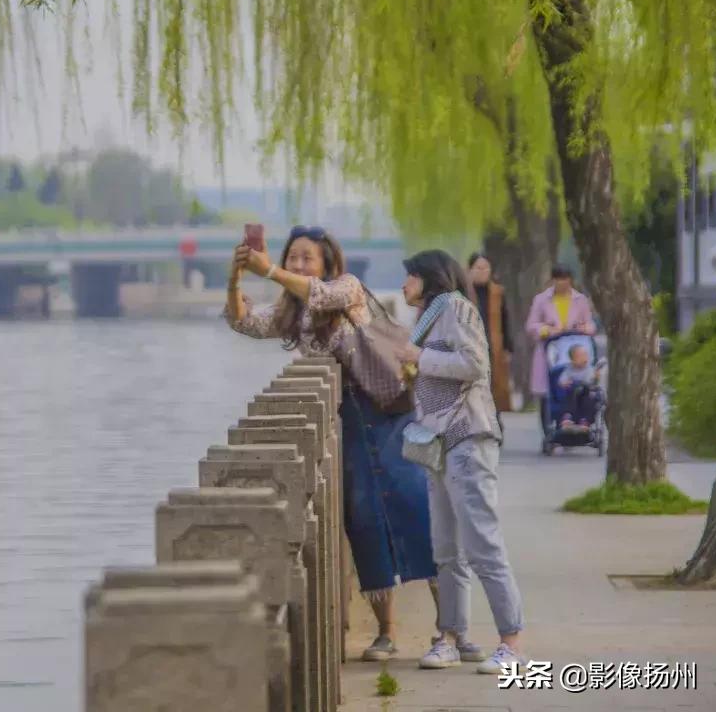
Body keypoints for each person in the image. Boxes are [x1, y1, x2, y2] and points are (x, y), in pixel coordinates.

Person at [225, 226, 472, 663]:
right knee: (364, 521)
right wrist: (235, 277)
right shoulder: (292, 312)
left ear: (326, 263)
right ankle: (386, 632)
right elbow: (244, 321)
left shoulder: (348, 289)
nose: (299, 264)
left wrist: (273, 271)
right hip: (348, 424)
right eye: (293, 257)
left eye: (307, 258)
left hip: (391, 413)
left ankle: (451, 631)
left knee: (419, 508)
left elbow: (320, 295)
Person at [393, 250, 527, 674]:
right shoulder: (429, 316)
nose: (404, 285)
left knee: (482, 543)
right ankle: (450, 637)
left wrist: (419, 358)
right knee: (446, 549)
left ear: (429, 277)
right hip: (438, 444)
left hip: (468, 437)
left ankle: (511, 643)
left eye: (410, 277)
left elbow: (474, 364)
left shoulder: (454, 307)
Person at [525, 264, 596, 427]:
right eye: (558, 279)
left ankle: (579, 420)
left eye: (565, 279)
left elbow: (590, 325)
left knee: (577, 385)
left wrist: (584, 329)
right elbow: (531, 325)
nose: (562, 283)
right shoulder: (541, 300)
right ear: (553, 280)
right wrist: (547, 330)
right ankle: (549, 427)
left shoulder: (580, 300)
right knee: (549, 390)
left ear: (570, 280)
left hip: (574, 349)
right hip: (551, 351)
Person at [467, 254, 513, 415]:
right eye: (478, 268)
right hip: (471, 346)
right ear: (470, 270)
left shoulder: (497, 292)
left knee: (495, 385)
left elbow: (505, 320)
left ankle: (495, 419)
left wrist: (507, 347)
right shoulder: (463, 293)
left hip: (494, 345)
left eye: (486, 268)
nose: (482, 271)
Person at [556, 345, 599, 431]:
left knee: (590, 399)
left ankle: (585, 421)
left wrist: (595, 378)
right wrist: (564, 383)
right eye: (580, 356)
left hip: (585, 394)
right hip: (573, 396)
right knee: (569, 395)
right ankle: (568, 418)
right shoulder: (569, 369)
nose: (584, 358)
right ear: (573, 360)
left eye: (585, 355)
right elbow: (562, 380)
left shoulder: (589, 369)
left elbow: (590, 381)